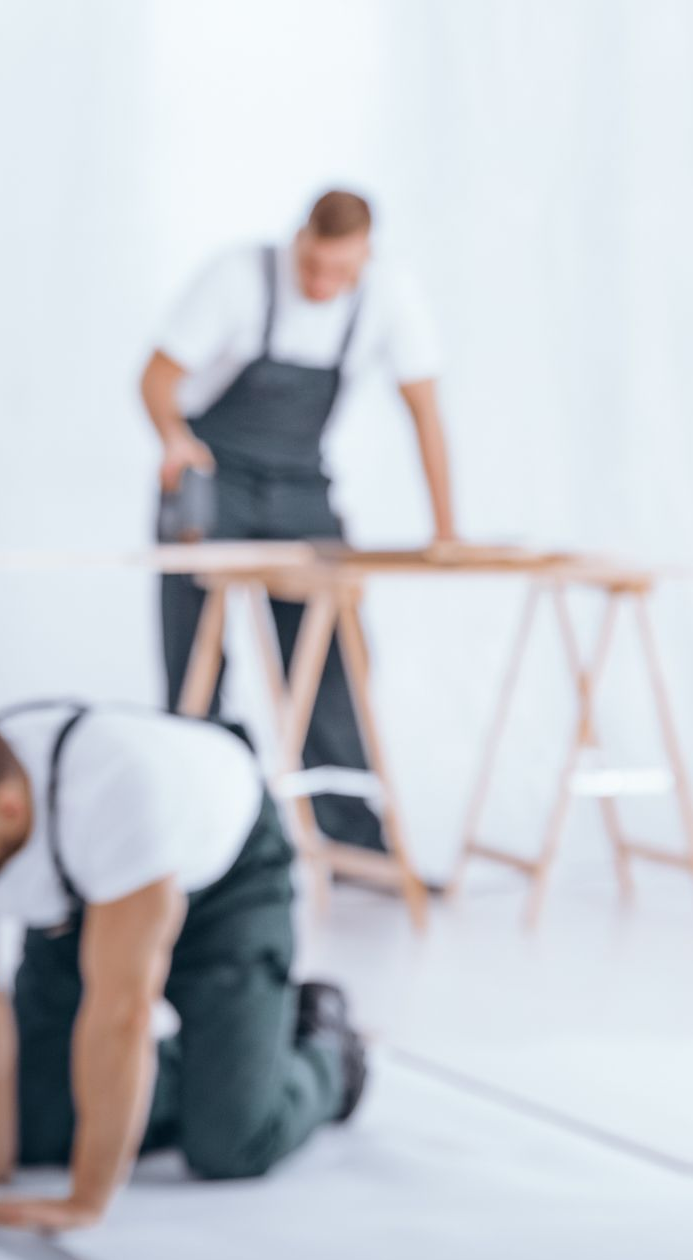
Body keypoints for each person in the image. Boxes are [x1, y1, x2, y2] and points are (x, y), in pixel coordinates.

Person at [0, 703, 367, 1232]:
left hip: (226, 887)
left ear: (8, 809)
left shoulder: (117, 797)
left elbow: (122, 1013)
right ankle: (213, 1068)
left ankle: (327, 1048)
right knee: (35, 1126)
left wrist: (86, 1200)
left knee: (231, 1140)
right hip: (85, 901)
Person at [140, 188, 455, 855]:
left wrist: (445, 529)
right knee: (193, 660)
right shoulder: (238, 278)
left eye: (339, 273)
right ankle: (198, 841)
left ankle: (355, 843)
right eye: (312, 266)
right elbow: (157, 377)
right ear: (298, 239)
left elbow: (424, 411)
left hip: (299, 487)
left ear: (366, 258)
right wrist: (173, 436)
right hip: (211, 475)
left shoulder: (388, 298)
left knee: (334, 656)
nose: (320, 284)